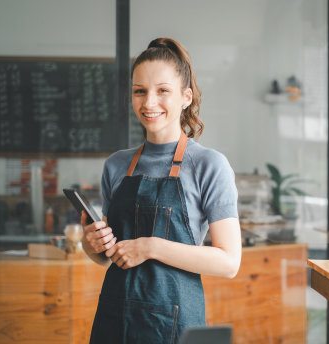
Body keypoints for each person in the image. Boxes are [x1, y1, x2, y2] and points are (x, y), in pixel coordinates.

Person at [81, 37, 242, 343]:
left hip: (175, 325)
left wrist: (151, 247)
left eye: (162, 91)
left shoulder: (210, 165)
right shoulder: (116, 166)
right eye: (139, 91)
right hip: (114, 319)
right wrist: (93, 245)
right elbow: (108, 256)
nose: (149, 103)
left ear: (186, 97)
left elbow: (229, 262)